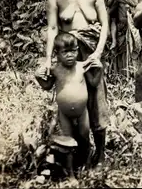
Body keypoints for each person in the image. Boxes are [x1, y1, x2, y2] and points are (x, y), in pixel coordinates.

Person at [42, 0, 109, 168]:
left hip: (91, 53)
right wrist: (47, 59)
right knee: (72, 102)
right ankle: (77, 154)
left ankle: (100, 155)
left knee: (97, 102)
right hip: (67, 55)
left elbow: (105, 25)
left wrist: (98, 53)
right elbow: (52, 29)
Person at [35, 32, 103, 178]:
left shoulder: (81, 66)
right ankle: (70, 173)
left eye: (74, 50)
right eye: (66, 52)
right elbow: (47, 86)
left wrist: (99, 69)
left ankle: (88, 166)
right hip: (64, 114)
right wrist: (38, 77)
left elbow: (93, 83)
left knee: (85, 139)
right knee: (67, 142)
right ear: (57, 53)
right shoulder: (55, 70)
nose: (71, 55)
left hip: (82, 112)